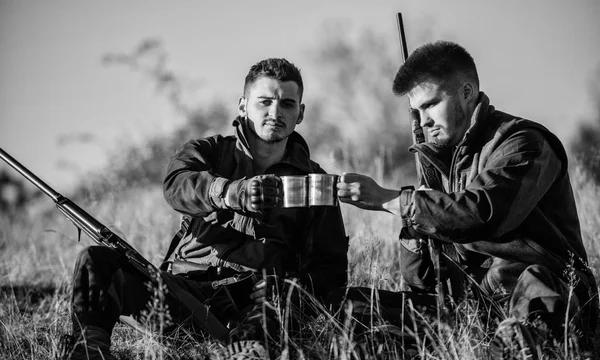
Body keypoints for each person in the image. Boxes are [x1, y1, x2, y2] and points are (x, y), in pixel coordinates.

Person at [66, 58, 348, 360]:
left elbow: (331, 274)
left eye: (287, 104)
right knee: (95, 260)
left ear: (300, 113)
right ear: (242, 106)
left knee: (263, 332)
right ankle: (89, 350)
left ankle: (247, 350)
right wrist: (227, 192)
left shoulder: (316, 183)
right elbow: (176, 186)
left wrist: (290, 290)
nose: (275, 113)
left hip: (256, 307)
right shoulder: (209, 152)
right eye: (264, 102)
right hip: (182, 294)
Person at [336, 41, 598, 359]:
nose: (424, 121)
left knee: (534, 294)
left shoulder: (523, 142)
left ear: (466, 91)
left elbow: (482, 214)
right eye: (416, 112)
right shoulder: (438, 161)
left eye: (431, 105)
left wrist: (395, 201)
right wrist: (416, 229)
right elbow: (423, 281)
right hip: (473, 305)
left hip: (538, 290)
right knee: (350, 305)